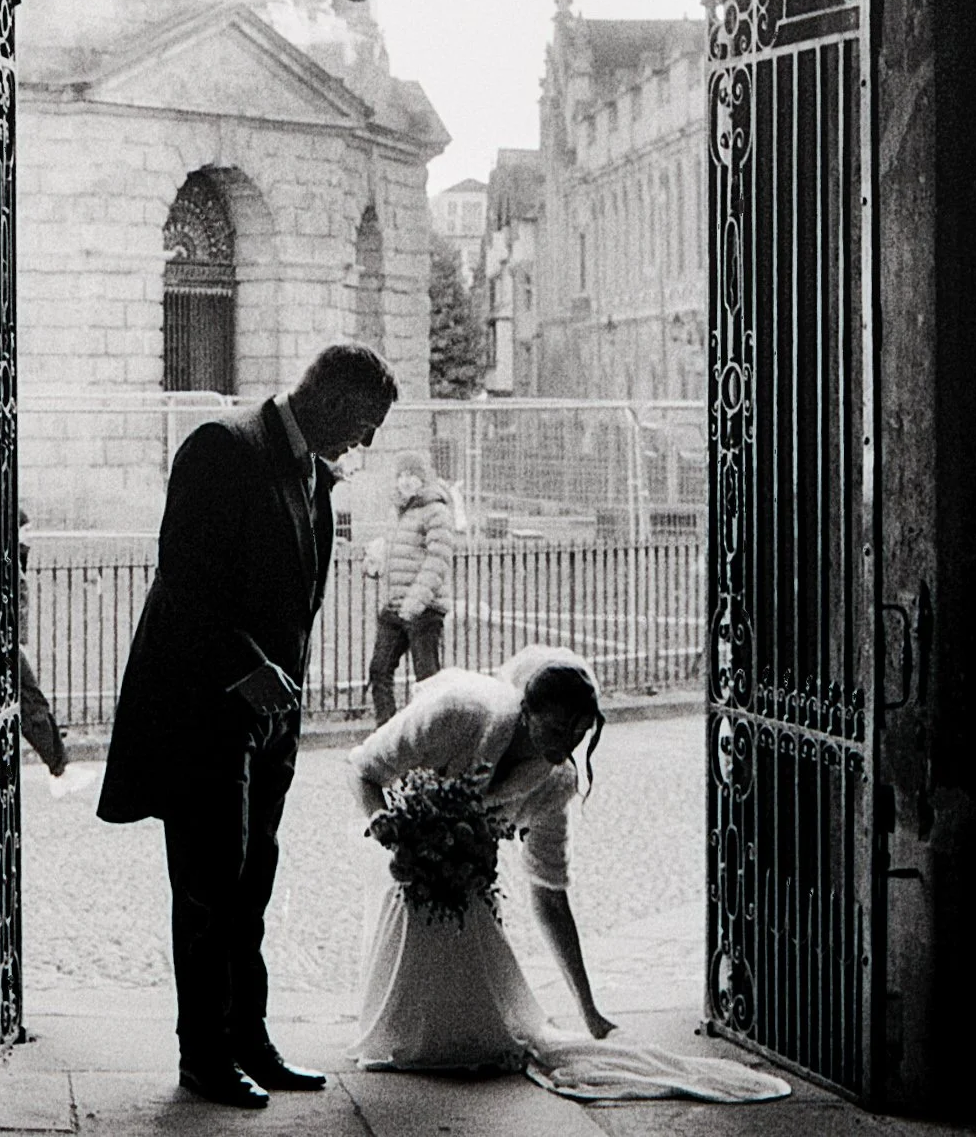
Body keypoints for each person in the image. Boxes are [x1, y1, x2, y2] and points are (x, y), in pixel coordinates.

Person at [98, 342, 399, 1109]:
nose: (360, 445)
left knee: (251, 883)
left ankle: (249, 1038)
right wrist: (246, 665)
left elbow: (294, 599)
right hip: (204, 707)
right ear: (330, 401)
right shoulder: (221, 447)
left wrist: (282, 695)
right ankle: (202, 1053)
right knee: (206, 889)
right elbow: (183, 577)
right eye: (361, 426)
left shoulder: (312, 474)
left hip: (269, 720)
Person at [347, 645, 791, 1103]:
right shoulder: (458, 712)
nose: (566, 746)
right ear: (526, 711)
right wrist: (393, 831)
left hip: (462, 881)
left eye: (579, 734)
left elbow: (550, 893)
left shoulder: (555, 782)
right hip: (404, 857)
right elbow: (363, 769)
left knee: (481, 1034)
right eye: (557, 728)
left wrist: (590, 1011)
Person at [366, 450, 453, 724]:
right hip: (395, 608)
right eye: (401, 475)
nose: (405, 481)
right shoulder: (398, 511)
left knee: (427, 681)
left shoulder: (436, 510)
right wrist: (375, 565)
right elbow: (397, 555)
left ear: (423, 479)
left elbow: (437, 561)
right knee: (379, 671)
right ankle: (388, 740)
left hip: (424, 609)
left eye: (412, 476)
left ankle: (433, 747)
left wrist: (415, 603)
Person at [18, 512, 68, 776]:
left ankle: (59, 764)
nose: (30, 538)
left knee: (31, 702)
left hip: (11, 645)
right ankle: (59, 766)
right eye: (25, 531)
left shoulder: (14, 559)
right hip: (9, 648)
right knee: (31, 701)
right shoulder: (8, 563)